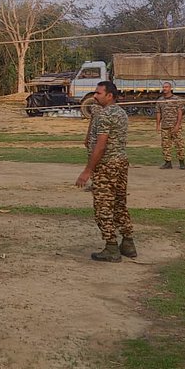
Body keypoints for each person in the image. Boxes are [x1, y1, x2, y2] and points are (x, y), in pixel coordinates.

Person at [75, 81, 135, 262]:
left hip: (106, 165)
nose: (95, 96)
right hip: (120, 163)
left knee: (103, 207)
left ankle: (111, 247)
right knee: (119, 204)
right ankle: (128, 243)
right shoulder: (121, 113)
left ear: (109, 95)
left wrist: (87, 171)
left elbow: (101, 145)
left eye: (99, 93)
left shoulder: (106, 115)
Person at [156, 82, 185, 169]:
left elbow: (180, 113)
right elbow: (158, 113)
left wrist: (178, 125)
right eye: (163, 87)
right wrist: (158, 125)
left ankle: (182, 162)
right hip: (165, 126)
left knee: (179, 144)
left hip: (175, 126)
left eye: (166, 87)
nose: (164, 88)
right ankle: (168, 162)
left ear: (170, 88)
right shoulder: (160, 100)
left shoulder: (176, 99)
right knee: (165, 144)